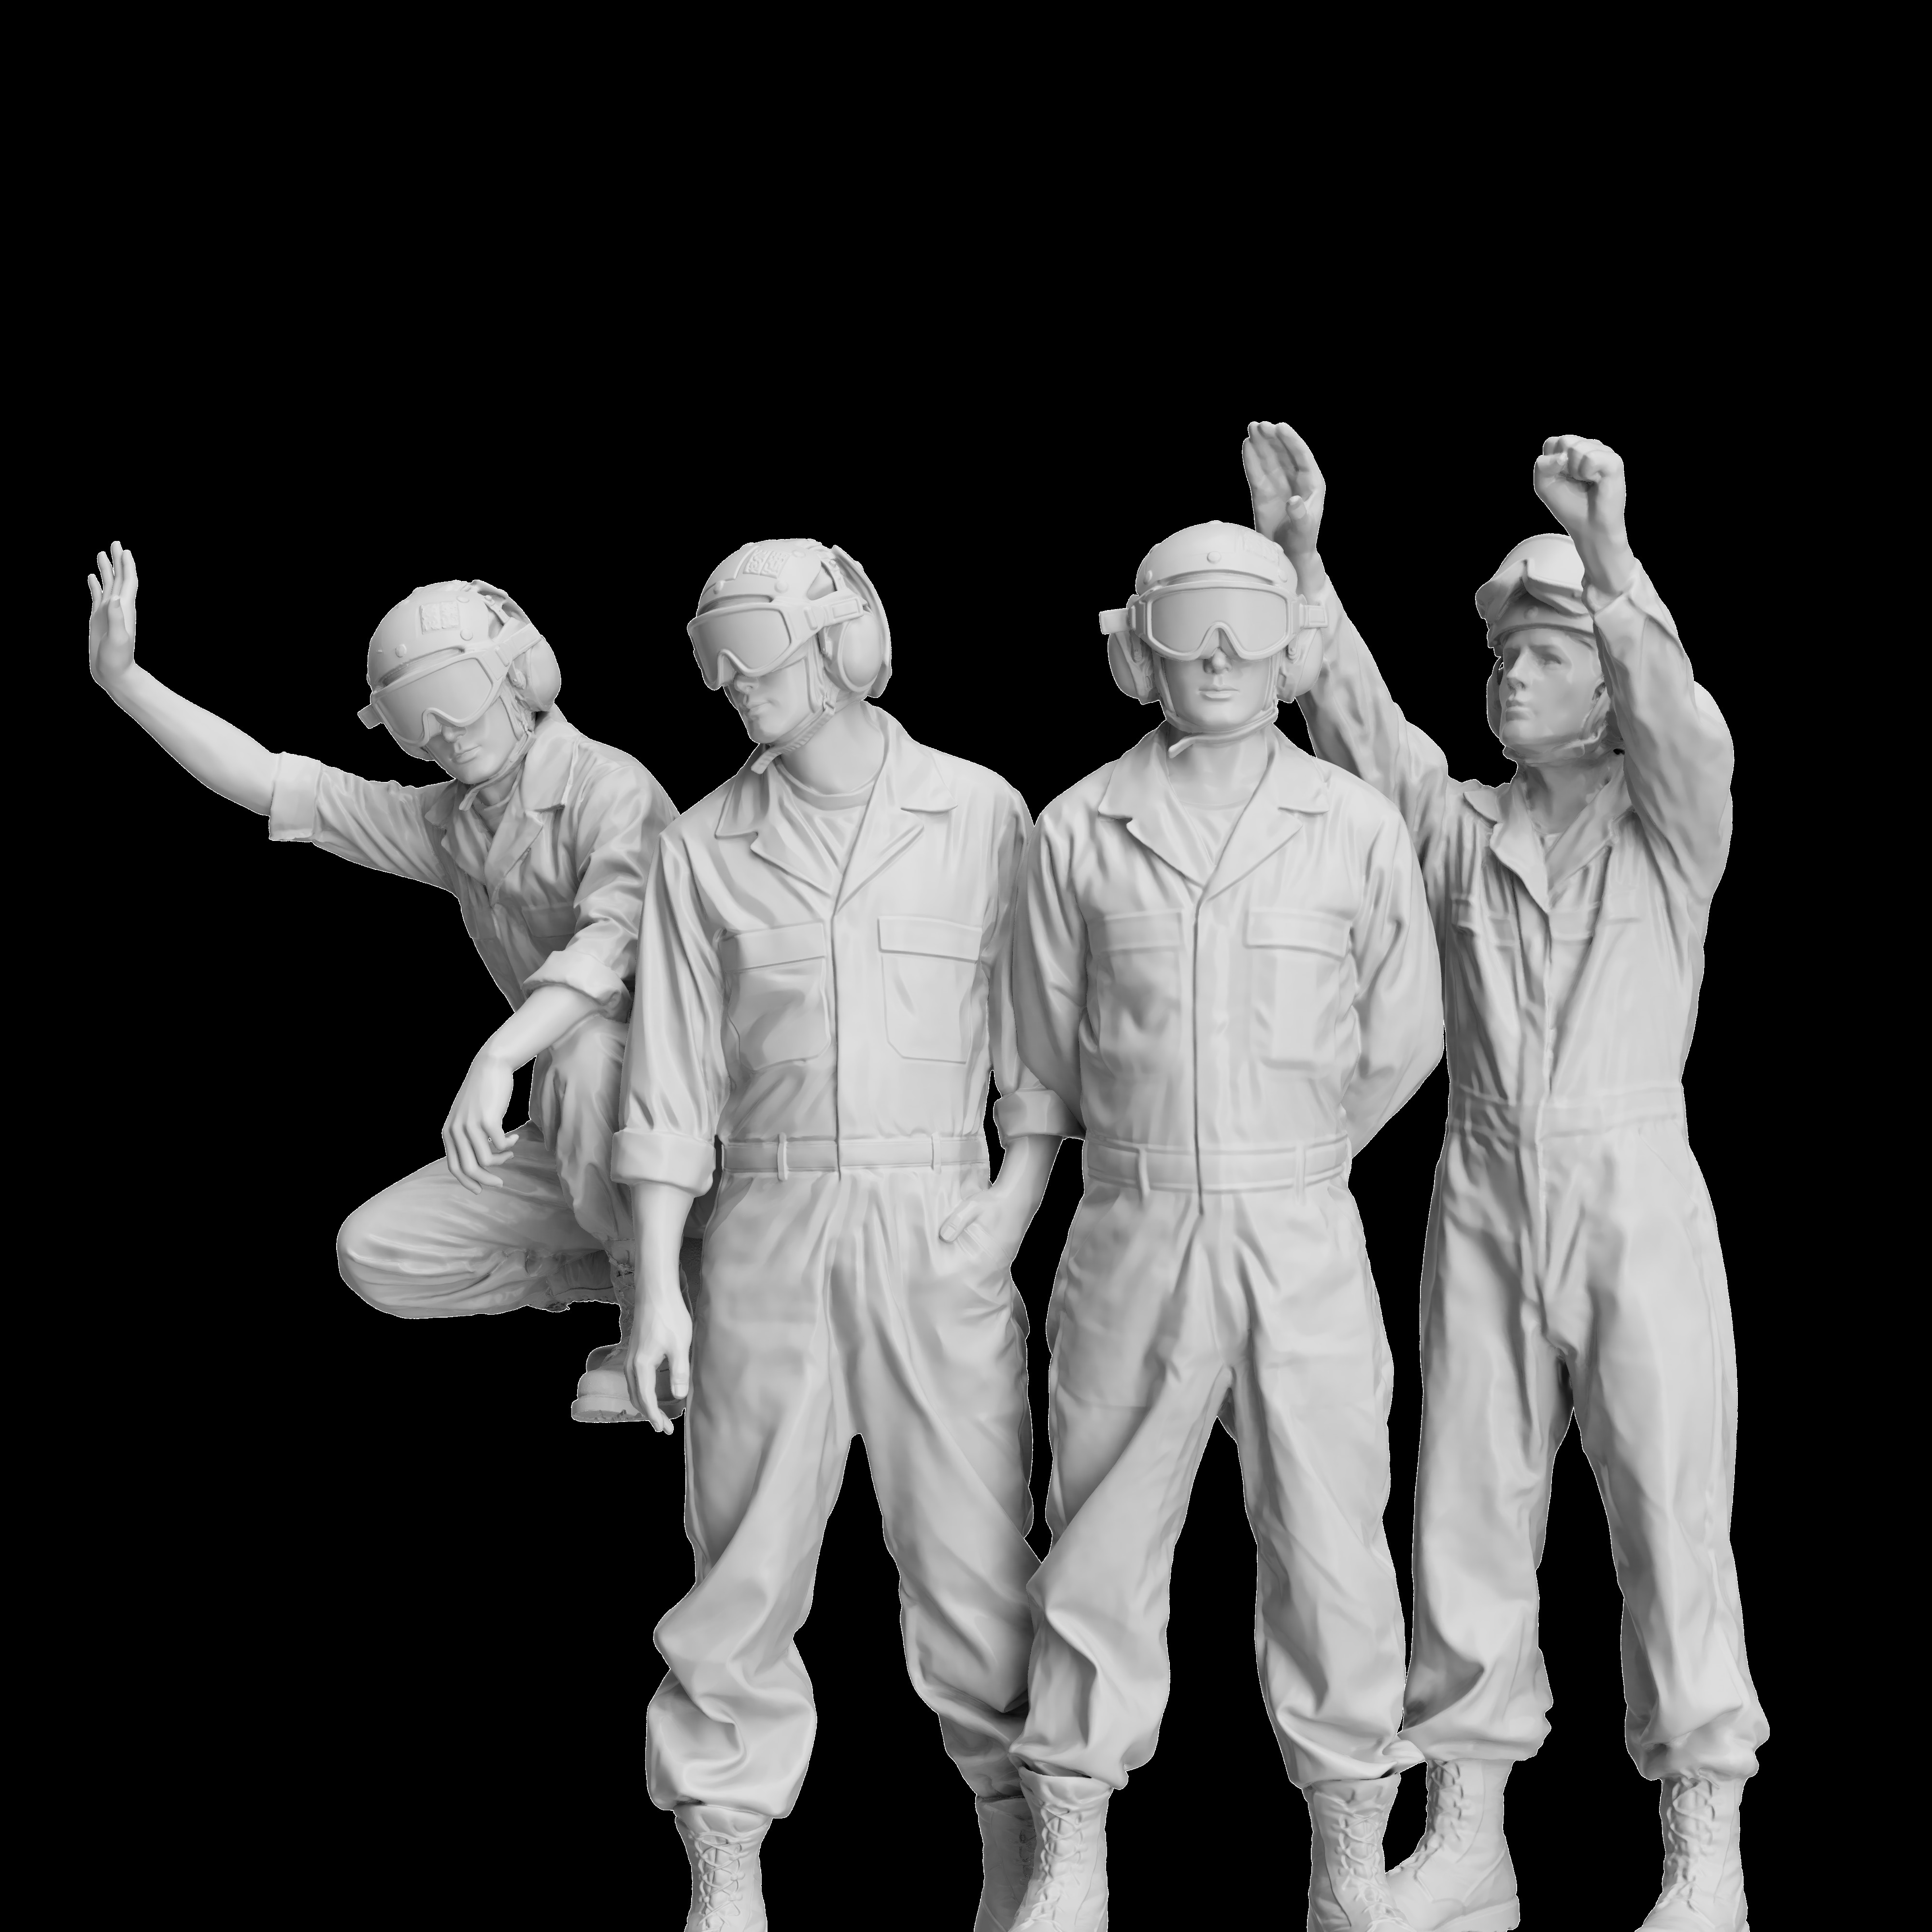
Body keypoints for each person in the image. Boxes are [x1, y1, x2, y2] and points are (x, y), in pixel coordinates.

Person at [1244, 422, 1765, 1932]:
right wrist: (1299, 556)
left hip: (1631, 1188)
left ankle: (1705, 1850)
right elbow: (1359, 719)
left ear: (1607, 680)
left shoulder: (1669, 828)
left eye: (1546, 655)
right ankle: (1469, 1834)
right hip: (1480, 1187)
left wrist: (1607, 552)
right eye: (1504, 657)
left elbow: (1684, 723)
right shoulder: (1458, 830)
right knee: (1466, 1505)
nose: (1512, 678)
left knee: (1669, 1507)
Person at [613, 539, 1075, 1932]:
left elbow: (1037, 1031)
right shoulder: (700, 845)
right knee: (741, 1553)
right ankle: (724, 1862)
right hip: (762, 1221)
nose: (733, 686)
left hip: (936, 1213)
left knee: (976, 1551)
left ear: (840, 645)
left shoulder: (979, 812)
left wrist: (1011, 1201)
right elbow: (667, 1083)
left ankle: (1023, 1855)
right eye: (715, 662)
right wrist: (656, 1287)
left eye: (756, 653)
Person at [1004, 521, 1443, 1932]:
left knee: (1330, 1529)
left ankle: (1348, 1848)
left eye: (1248, 629)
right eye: (1186, 626)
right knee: (1098, 1529)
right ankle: (1071, 1843)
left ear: (1288, 647)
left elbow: (1407, 1030)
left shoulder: (1354, 824)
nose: (1216, 659)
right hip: (1130, 1219)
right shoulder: (1078, 828)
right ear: (1137, 646)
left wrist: (1295, 1150)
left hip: (1299, 1222)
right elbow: (1039, 1043)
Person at [85, 544, 679, 1415]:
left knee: (588, 1052)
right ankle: (673, 1271)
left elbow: (607, 950)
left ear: (519, 674)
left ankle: (651, 1320)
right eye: (412, 717)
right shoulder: (453, 822)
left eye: (456, 697)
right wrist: (125, 680)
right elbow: (277, 784)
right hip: (576, 1132)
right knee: (377, 1252)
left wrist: (497, 1059)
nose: (443, 733)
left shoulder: (610, 789)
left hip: (672, 1120)